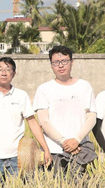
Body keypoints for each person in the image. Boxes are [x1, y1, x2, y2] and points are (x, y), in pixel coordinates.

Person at [0, 57, 51, 179]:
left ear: (14, 73)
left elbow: (32, 122)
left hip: (18, 157)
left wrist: (45, 149)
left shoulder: (21, 95)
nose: (4, 73)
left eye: (8, 69)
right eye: (0, 69)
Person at [33, 46, 97, 176]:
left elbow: (91, 117)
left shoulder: (84, 86)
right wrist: (64, 142)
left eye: (64, 61)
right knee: (55, 185)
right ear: (51, 65)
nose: (60, 65)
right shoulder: (44, 89)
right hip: (54, 150)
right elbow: (44, 121)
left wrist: (77, 139)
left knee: (83, 185)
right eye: (56, 62)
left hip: (80, 148)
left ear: (72, 62)